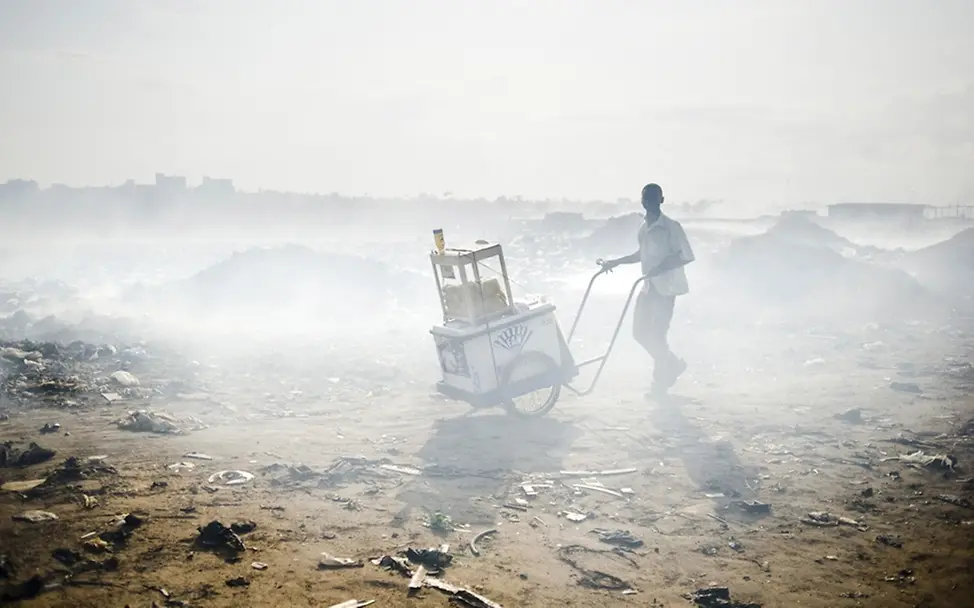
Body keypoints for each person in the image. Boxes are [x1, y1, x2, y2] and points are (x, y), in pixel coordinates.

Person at [599, 183, 695, 398]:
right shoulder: (644, 227)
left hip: (666, 289)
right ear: (642, 201)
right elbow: (640, 255)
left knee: (658, 335)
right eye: (646, 198)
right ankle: (672, 364)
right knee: (639, 333)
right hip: (649, 286)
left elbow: (686, 255)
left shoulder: (671, 227)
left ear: (661, 200)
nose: (649, 202)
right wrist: (615, 262)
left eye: (653, 198)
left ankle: (660, 383)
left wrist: (662, 267)